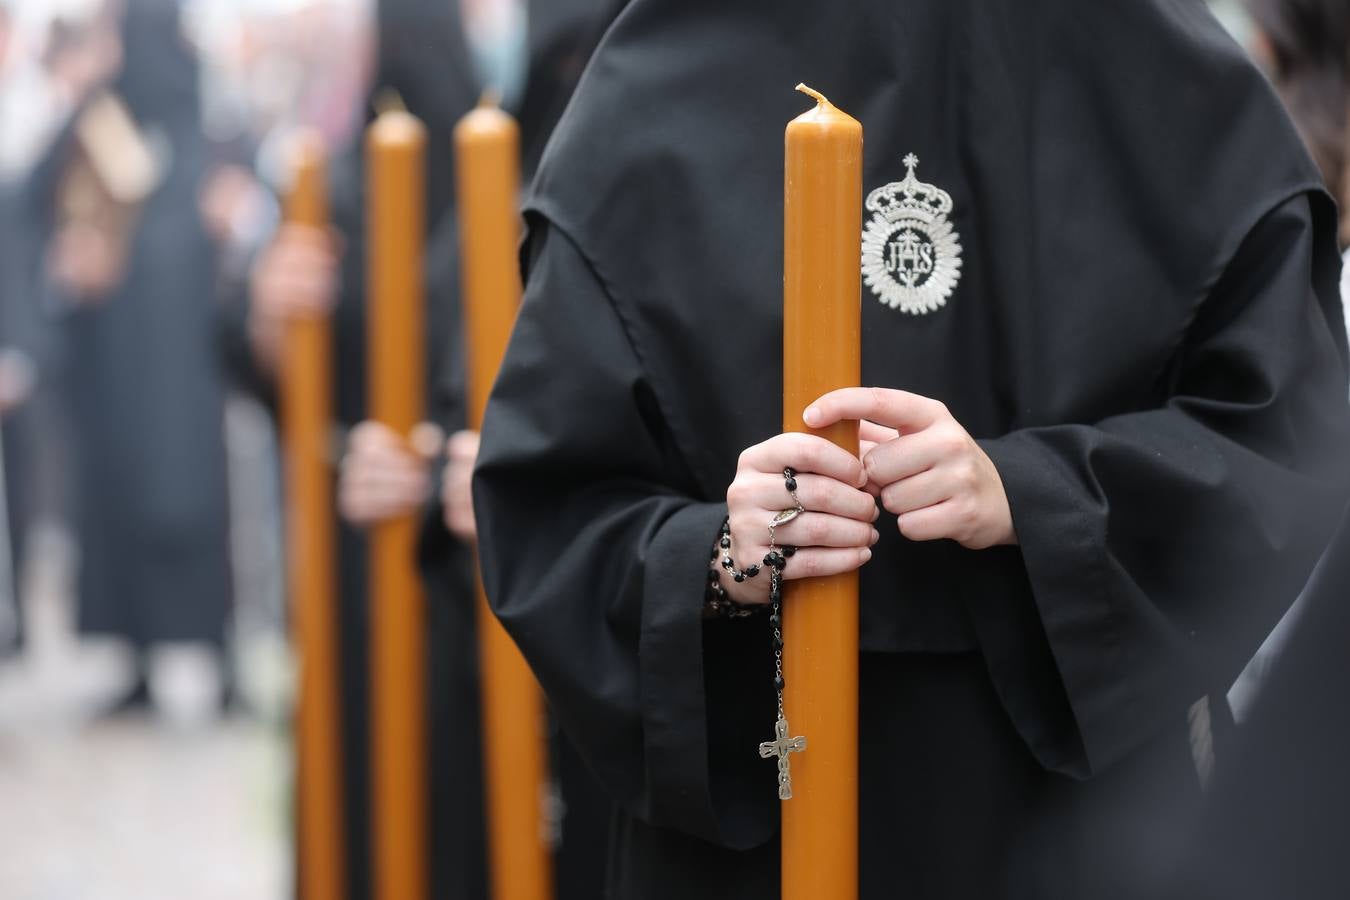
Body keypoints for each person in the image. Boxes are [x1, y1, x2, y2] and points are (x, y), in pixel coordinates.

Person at [471, 1, 1350, 898]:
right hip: (752, 821)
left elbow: (1285, 433)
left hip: (1070, 819)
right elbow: (551, 502)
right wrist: (719, 554)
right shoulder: (668, 59)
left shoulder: (1150, 53)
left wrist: (1034, 495)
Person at [336, 2, 623, 896]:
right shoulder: (494, 211)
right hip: (483, 650)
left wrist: (526, 482)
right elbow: (419, 384)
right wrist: (407, 469)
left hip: (640, 666)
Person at [43, 0, 233, 712]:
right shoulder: (103, 118)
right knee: (126, 498)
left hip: (188, 369)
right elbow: (45, 204)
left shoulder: (199, 130)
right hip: (126, 364)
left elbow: (210, 225)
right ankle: (140, 659)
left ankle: (218, 661)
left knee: (197, 506)